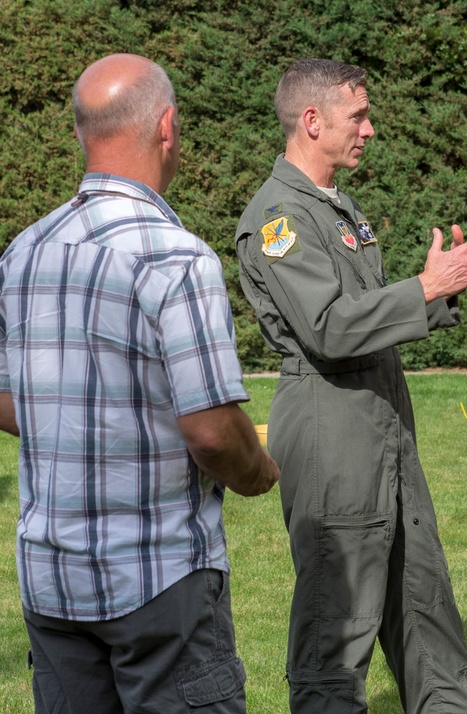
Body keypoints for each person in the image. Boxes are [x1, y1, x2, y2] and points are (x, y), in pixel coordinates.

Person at [0, 54, 279, 713]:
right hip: (160, 580)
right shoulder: (176, 258)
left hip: (50, 577)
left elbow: (10, 400)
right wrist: (258, 470)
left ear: (79, 134)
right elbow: (212, 433)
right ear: (169, 127)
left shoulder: (24, 251)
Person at [234, 59, 467, 713]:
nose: (371, 129)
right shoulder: (279, 218)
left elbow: (364, 312)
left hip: (383, 417)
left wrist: (439, 294)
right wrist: (424, 289)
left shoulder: (340, 208)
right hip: (332, 425)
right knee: (338, 625)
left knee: (424, 606)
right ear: (312, 121)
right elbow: (326, 327)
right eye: (358, 116)